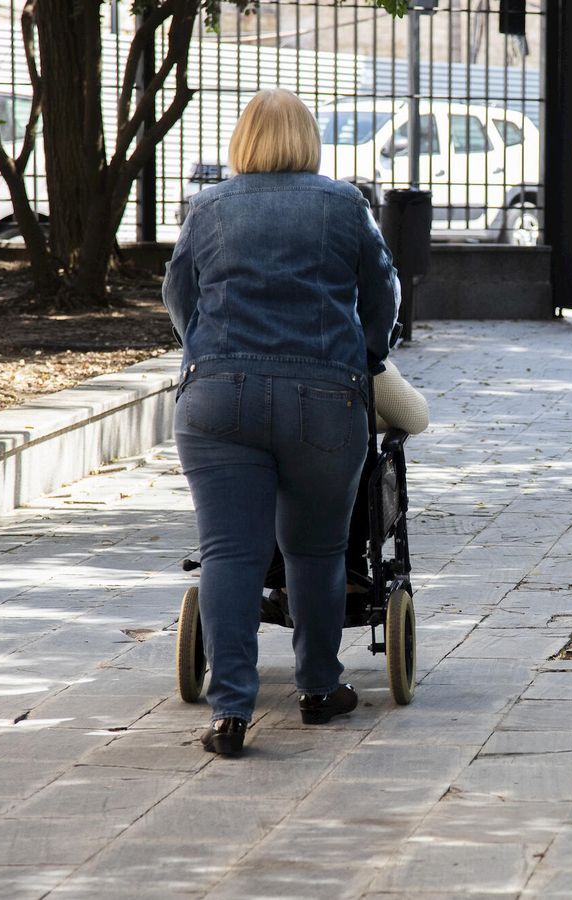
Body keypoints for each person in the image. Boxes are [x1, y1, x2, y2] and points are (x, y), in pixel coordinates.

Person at [163, 88, 399, 756]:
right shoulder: (345, 203)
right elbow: (383, 293)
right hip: (324, 396)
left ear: (243, 140)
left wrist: (205, 351)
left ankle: (231, 711)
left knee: (230, 553)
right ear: (308, 139)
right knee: (317, 550)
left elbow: (179, 295)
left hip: (217, 400)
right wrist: (369, 355)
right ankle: (319, 689)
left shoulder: (208, 206)